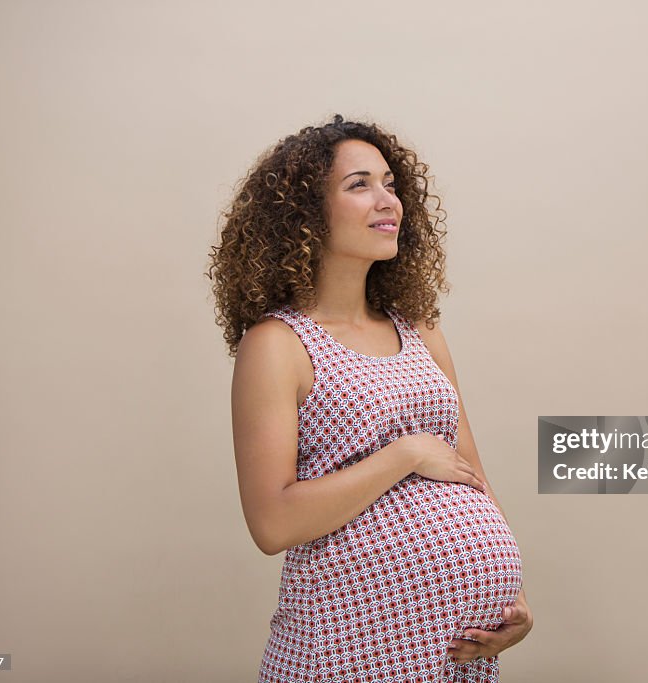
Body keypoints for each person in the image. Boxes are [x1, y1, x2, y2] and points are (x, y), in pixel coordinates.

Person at [207, 114, 532, 681]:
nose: (388, 200)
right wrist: (403, 455)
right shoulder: (278, 345)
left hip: (455, 654)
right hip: (347, 649)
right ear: (303, 216)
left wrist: (511, 592)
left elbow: (470, 472)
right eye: (359, 185)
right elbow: (272, 523)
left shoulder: (419, 329)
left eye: (389, 183)